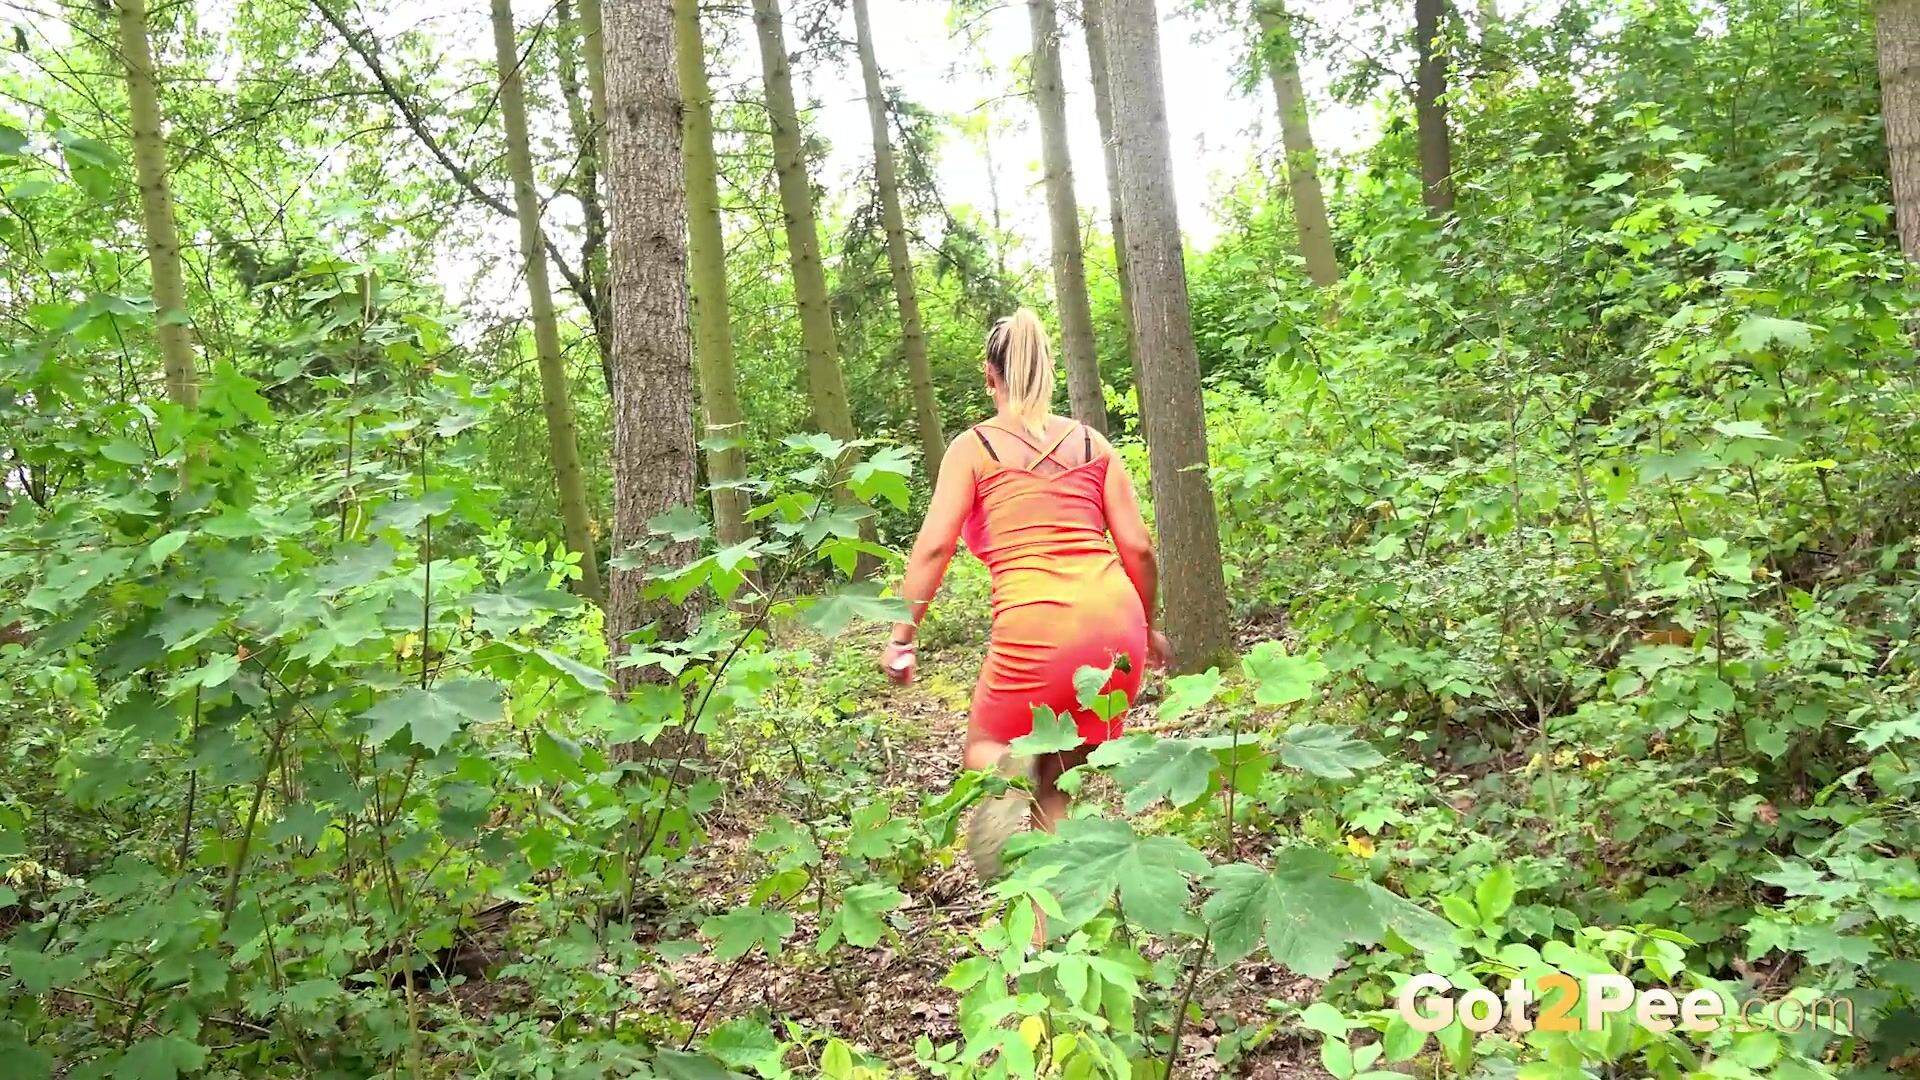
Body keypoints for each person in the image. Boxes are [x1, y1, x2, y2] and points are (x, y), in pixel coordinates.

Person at [879, 308, 1170, 881]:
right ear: (1049, 371)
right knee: (1058, 786)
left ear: (990, 376)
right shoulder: (1092, 444)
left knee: (986, 747)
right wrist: (1147, 624)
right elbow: (1138, 547)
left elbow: (934, 548)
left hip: (1036, 623)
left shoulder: (974, 447)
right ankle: (1049, 925)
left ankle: (1006, 772)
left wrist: (901, 638)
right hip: (1114, 625)